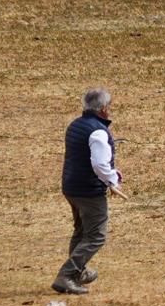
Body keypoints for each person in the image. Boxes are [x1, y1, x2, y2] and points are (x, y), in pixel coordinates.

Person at [52, 87, 125, 295]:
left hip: (71, 187)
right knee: (96, 236)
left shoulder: (76, 125)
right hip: (88, 191)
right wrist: (113, 180)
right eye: (109, 106)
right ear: (103, 109)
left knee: (81, 231)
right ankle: (67, 275)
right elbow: (100, 165)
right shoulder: (98, 131)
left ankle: (78, 272)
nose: (110, 110)